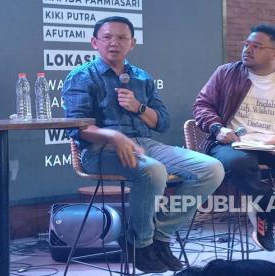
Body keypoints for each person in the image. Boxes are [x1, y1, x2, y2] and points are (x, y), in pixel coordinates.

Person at [62, 16, 224, 273]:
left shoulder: (141, 77)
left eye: (122, 37)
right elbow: (77, 128)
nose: (114, 42)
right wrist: (113, 136)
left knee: (212, 168)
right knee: (153, 170)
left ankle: (158, 235)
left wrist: (138, 107)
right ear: (95, 42)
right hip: (99, 150)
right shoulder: (82, 77)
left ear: (132, 44)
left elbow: (162, 122)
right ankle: (142, 244)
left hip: (145, 143)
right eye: (107, 37)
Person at [193, 24, 275, 252]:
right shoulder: (226, 72)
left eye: (256, 46)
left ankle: (268, 215)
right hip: (232, 142)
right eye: (247, 44)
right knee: (239, 164)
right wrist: (218, 129)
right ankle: (266, 208)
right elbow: (202, 105)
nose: (247, 49)